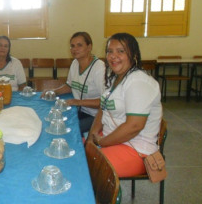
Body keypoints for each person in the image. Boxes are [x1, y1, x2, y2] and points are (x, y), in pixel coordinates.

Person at [87, 32, 162, 178]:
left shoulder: (138, 82)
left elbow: (134, 126)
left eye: (120, 51)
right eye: (110, 51)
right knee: (75, 149)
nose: (113, 56)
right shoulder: (115, 78)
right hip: (113, 139)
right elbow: (103, 109)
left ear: (133, 54)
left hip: (136, 149)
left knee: (86, 168)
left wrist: (102, 142)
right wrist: (91, 138)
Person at [41, 32, 105, 135]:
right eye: (72, 46)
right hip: (78, 110)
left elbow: (105, 102)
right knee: (52, 120)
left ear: (89, 47)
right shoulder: (75, 63)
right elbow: (69, 86)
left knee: (67, 130)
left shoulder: (99, 68)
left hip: (96, 116)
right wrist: (54, 91)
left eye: (79, 45)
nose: (75, 49)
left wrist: (77, 102)